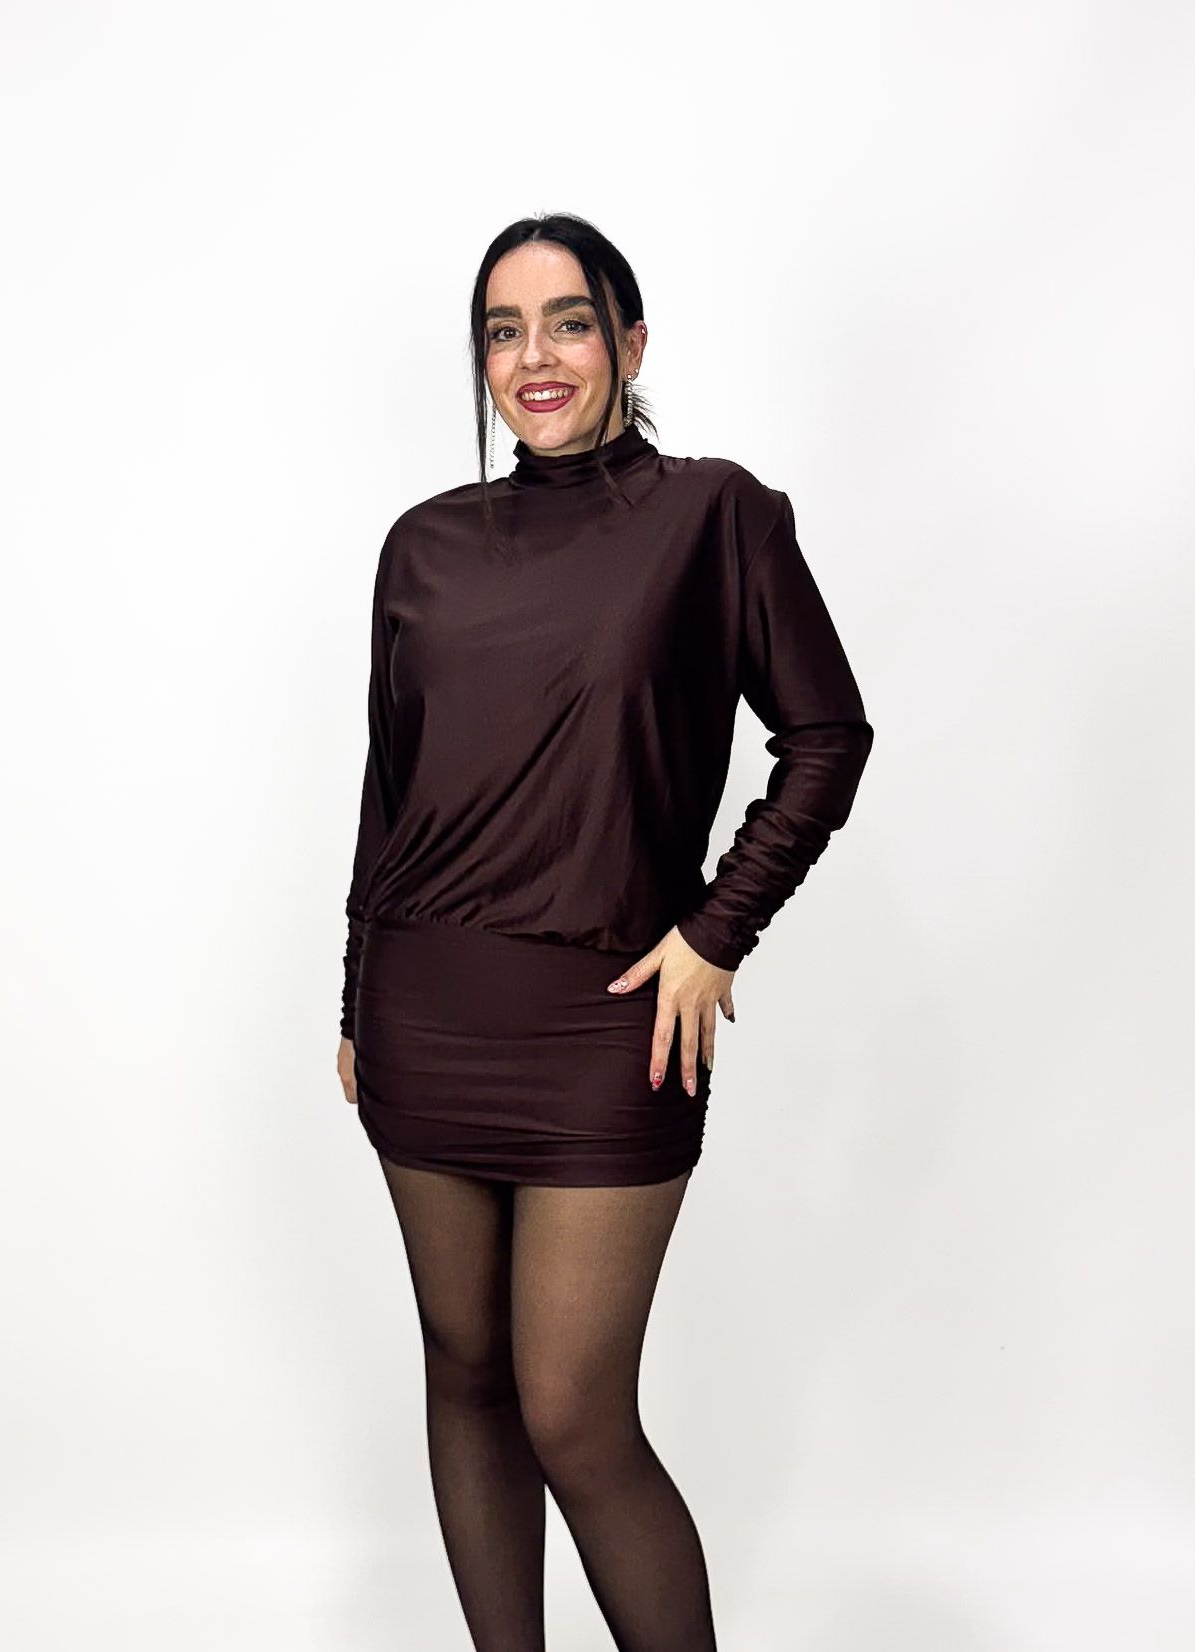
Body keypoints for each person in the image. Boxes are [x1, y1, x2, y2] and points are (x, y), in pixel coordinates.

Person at [335, 211, 874, 1652]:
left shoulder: (715, 517)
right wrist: (354, 995)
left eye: (568, 322)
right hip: (422, 1010)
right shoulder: (423, 546)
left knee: (573, 1410)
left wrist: (717, 930)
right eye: (503, 331)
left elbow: (827, 735)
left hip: (608, 1023)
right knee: (465, 1374)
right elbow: (391, 790)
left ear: (629, 343)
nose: (536, 356)